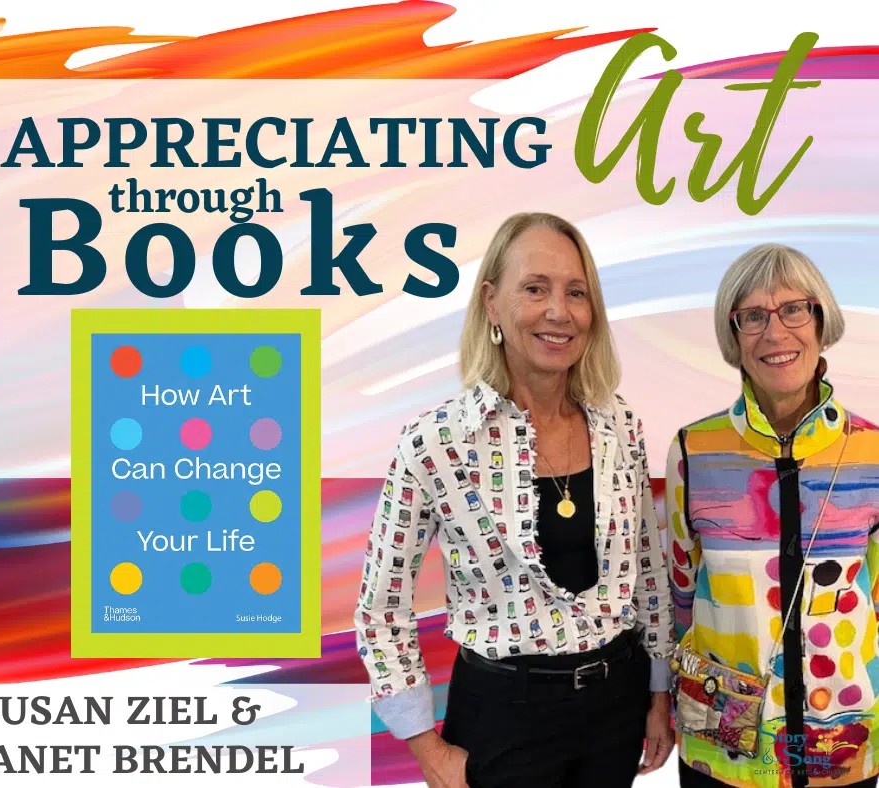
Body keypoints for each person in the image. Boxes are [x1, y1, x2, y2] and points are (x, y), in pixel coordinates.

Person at [354, 212, 676, 787]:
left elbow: (647, 572)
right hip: (502, 722)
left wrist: (657, 694)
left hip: (616, 711)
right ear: (491, 303)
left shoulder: (620, 425)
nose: (559, 311)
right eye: (535, 288)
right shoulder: (437, 442)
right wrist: (425, 747)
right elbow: (381, 610)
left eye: (576, 292)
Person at [667, 243, 879, 788]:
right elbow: (679, 597)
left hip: (842, 745)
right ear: (733, 336)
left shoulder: (871, 451)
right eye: (753, 316)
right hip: (725, 751)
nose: (775, 332)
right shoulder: (695, 450)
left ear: (821, 322)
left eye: (794, 309)